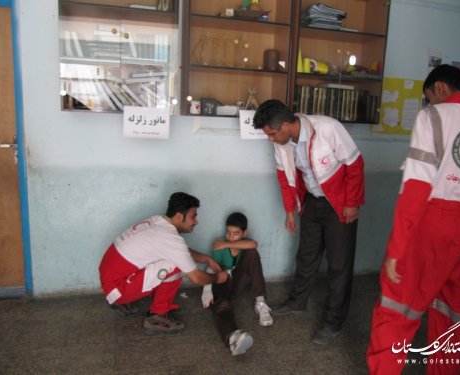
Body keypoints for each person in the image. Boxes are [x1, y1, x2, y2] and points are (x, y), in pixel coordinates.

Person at [366, 64, 460, 374]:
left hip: (431, 223)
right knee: (456, 311)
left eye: (429, 97)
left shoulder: (432, 117)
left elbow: (416, 187)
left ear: (439, 88)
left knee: (397, 307)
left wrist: (397, 250)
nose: (429, 104)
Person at [252, 99, 365, 345]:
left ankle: (333, 321)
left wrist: (352, 202)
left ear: (284, 125)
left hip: (339, 203)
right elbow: (284, 177)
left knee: (339, 265)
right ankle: (297, 301)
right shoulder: (282, 143)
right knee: (306, 255)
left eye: (271, 134)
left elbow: (355, 164)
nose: (270, 140)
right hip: (313, 201)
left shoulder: (327, 128)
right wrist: (290, 211)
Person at [99, 192, 229, 335]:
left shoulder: (158, 220)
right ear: (180, 216)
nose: (196, 221)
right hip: (117, 289)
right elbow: (197, 278)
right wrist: (218, 278)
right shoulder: (170, 238)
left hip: (111, 278)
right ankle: (157, 317)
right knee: (175, 265)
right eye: (193, 216)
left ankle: (124, 300)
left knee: (174, 258)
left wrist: (206, 259)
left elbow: (178, 251)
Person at [201, 212, 273, 355]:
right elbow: (211, 267)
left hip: (235, 284)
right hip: (220, 284)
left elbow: (253, 244)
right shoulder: (219, 246)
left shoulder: (242, 243)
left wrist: (227, 243)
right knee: (223, 305)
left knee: (252, 253)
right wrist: (207, 290)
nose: (231, 236)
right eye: (228, 233)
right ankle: (233, 337)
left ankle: (260, 303)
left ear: (244, 233)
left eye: (236, 234)